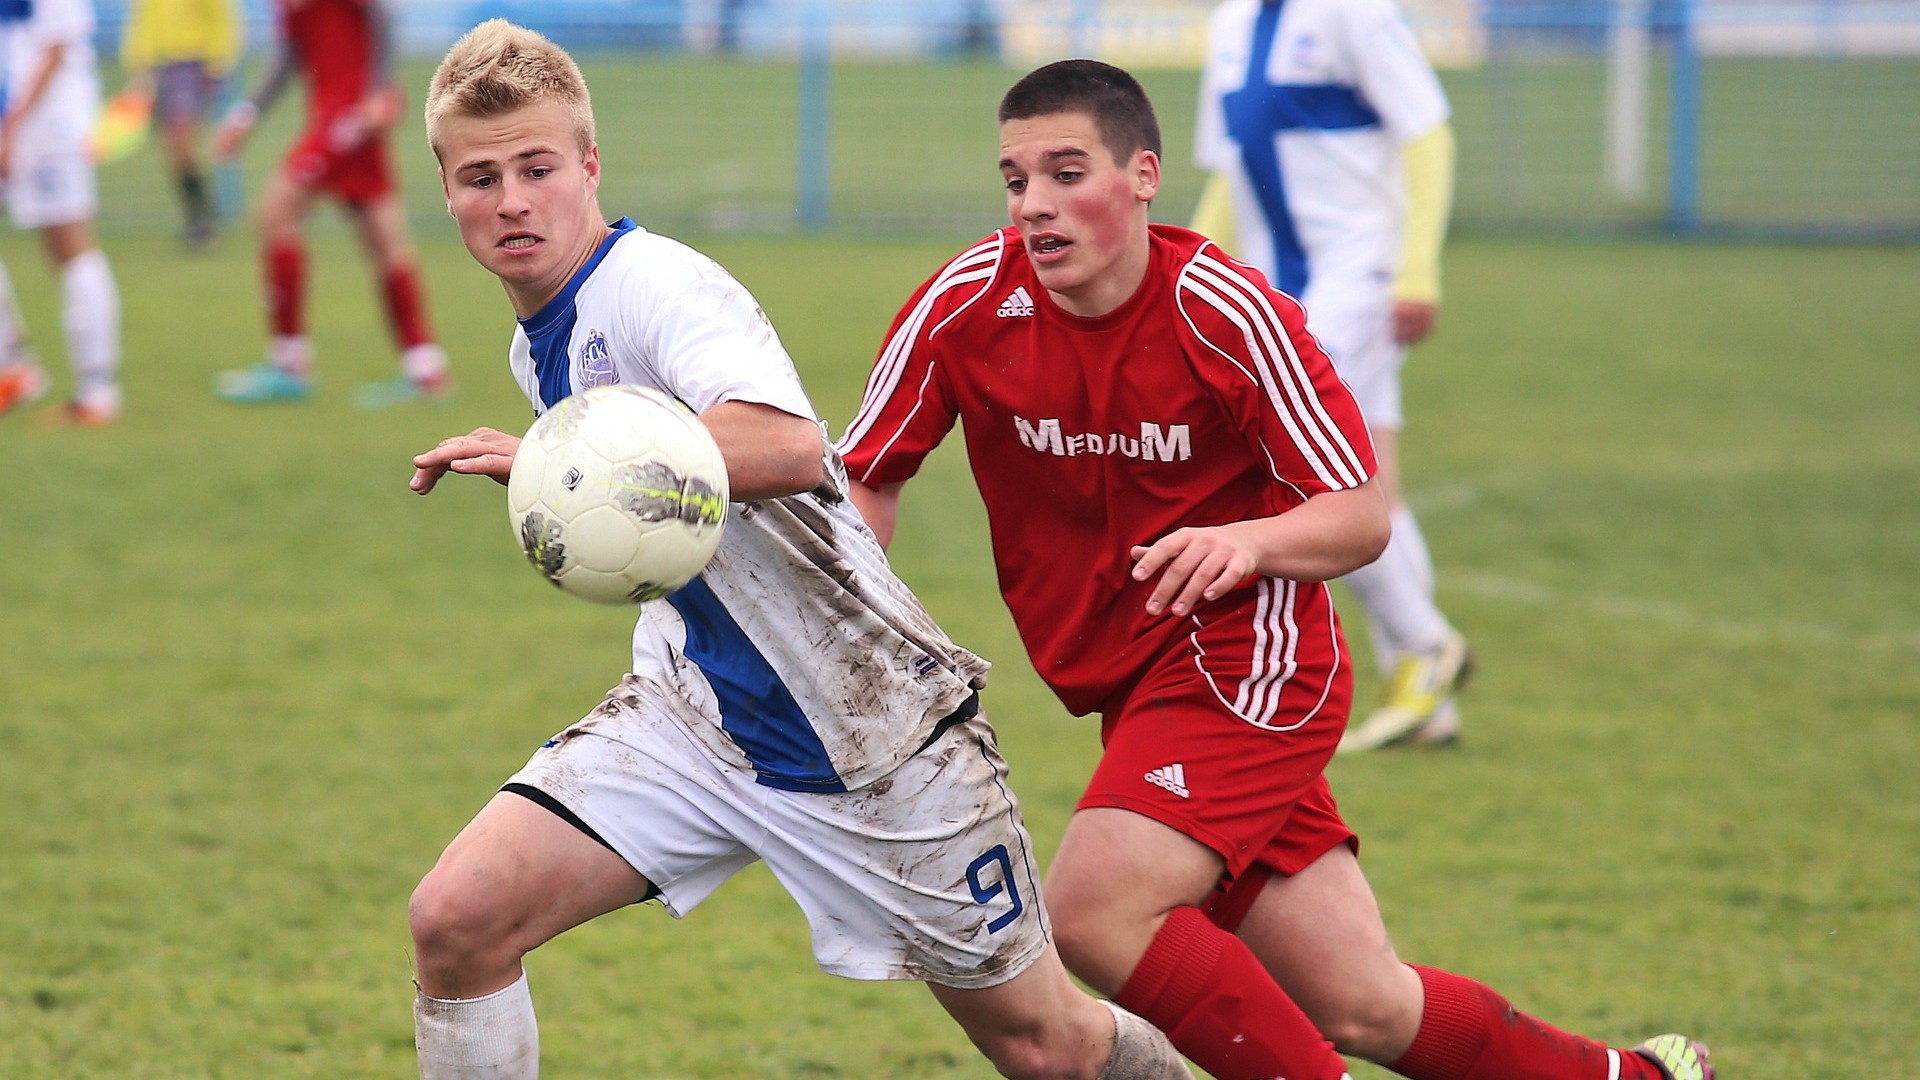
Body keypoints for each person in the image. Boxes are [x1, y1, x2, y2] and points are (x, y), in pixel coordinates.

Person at [838, 59, 1712, 1080]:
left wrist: (1245, 543)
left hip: (1250, 665)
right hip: (1132, 689)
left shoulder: (1225, 311)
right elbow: (865, 474)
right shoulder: (966, 305)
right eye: (1016, 180)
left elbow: (1359, 512)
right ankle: (1636, 1079)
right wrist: (852, 623)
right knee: (1368, 1002)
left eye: (1067, 173)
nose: (1036, 205)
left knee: (1094, 909)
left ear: (1143, 175)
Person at [402, 22, 1192, 1080]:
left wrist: (571, 456)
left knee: (1050, 1048)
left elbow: (786, 443)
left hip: (873, 734)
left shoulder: (657, 288)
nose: (511, 200)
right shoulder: (538, 330)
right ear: (445, 192)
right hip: (698, 717)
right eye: (479, 177)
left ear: (589, 165)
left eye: (537, 168)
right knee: (457, 921)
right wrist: (569, 457)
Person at [1192, 0, 1470, 751]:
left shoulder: (1355, 12)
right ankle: (1426, 696)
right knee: (1368, 479)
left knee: (1302, 471)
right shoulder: (1230, 25)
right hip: (1284, 290)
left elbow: (1428, 134)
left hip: (1360, 278)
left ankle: (1424, 641)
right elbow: (1230, 172)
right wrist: (1189, 272)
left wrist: (1415, 269)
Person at [210, 0, 451, 408]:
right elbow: (290, 56)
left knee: (275, 214)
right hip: (333, 113)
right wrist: (245, 116)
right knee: (383, 239)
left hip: (352, 114)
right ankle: (424, 367)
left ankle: (290, 363)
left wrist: (378, 90)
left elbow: (384, 15)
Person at [0, 0, 123, 425]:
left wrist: (10, 128)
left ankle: (98, 390)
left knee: (71, 250)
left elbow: (56, 49)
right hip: (23, 120)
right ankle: (13, 367)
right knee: (65, 253)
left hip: (51, 125)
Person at [118, 0, 243, 247]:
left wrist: (218, 64)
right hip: (155, 67)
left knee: (181, 140)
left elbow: (222, 20)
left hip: (191, 63)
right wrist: (136, 66)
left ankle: (202, 220)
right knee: (173, 149)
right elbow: (141, 23)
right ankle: (199, 217)